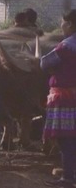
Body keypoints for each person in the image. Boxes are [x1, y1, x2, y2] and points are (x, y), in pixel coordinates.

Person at [41, 10, 76, 187]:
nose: (61, 25)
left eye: (62, 22)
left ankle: (68, 177)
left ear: (69, 24)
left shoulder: (65, 46)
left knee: (66, 138)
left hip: (65, 99)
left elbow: (44, 63)